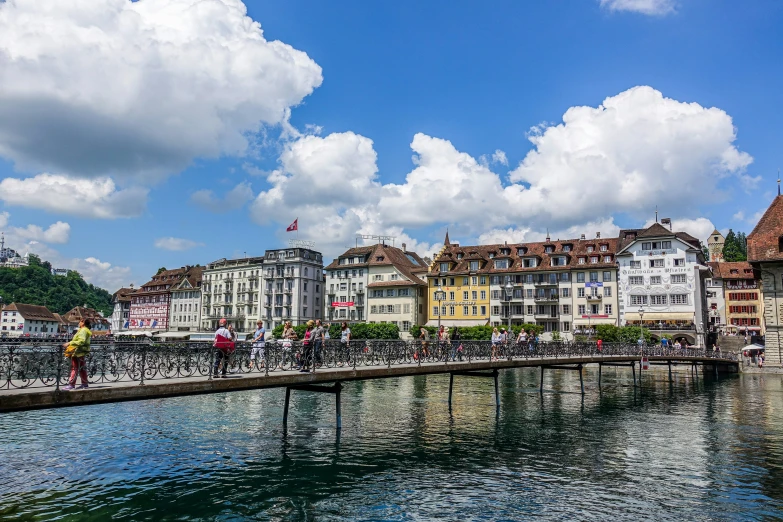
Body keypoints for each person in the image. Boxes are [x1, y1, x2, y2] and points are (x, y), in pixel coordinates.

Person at [62, 318, 92, 390]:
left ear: (83, 323)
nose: (79, 323)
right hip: (82, 351)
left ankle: (71, 384)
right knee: (82, 368)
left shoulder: (83, 330)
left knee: (74, 368)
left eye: (80, 322)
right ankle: (84, 384)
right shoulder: (85, 330)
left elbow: (81, 341)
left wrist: (69, 343)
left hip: (78, 351)